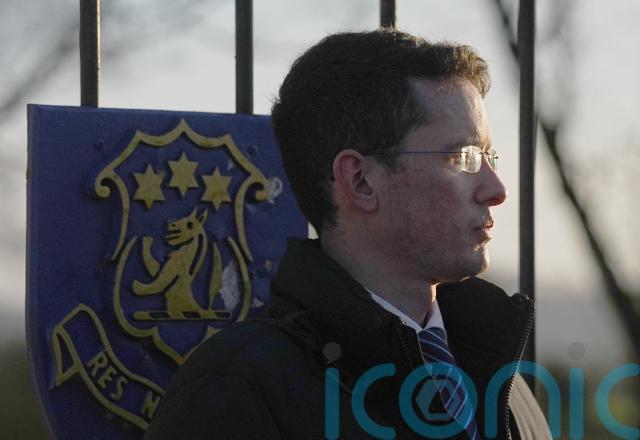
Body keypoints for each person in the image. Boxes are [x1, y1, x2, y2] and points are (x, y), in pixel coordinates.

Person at [145, 29, 550, 440]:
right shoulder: (238, 392)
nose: (496, 189)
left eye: (488, 156)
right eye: (463, 157)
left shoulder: (499, 375)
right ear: (360, 180)